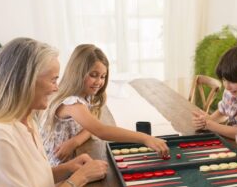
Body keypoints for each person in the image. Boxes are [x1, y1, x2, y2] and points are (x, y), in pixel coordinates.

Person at [0, 38, 108, 187]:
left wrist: (68, 168)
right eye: (53, 79)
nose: (57, 87)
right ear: (26, 81)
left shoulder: (27, 120)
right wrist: (78, 178)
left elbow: (29, 181)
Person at [40, 44, 169, 166]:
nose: (99, 82)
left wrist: (75, 141)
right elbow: (101, 131)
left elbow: (92, 126)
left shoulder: (86, 96)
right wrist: (145, 138)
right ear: (77, 73)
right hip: (58, 167)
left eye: (103, 76)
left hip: (73, 157)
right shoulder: (72, 103)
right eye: (93, 75)